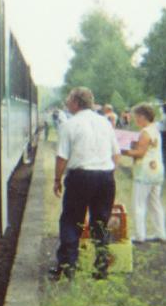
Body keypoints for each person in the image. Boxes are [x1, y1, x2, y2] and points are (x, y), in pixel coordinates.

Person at [51, 87, 121, 280]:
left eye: (68, 99)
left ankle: (68, 266)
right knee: (100, 223)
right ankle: (101, 268)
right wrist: (107, 172)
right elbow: (117, 155)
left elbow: (62, 157)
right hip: (105, 177)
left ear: (76, 102)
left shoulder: (69, 125)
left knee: (71, 221)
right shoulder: (105, 123)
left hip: (80, 177)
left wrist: (57, 179)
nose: (66, 102)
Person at [122, 103, 166, 244]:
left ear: (142, 116)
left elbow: (140, 153)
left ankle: (140, 235)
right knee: (155, 203)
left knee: (139, 203)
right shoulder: (155, 130)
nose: (136, 120)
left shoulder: (145, 132)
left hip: (144, 171)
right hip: (157, 170)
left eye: (137, 117)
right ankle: (161, 233)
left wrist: (123, 151)